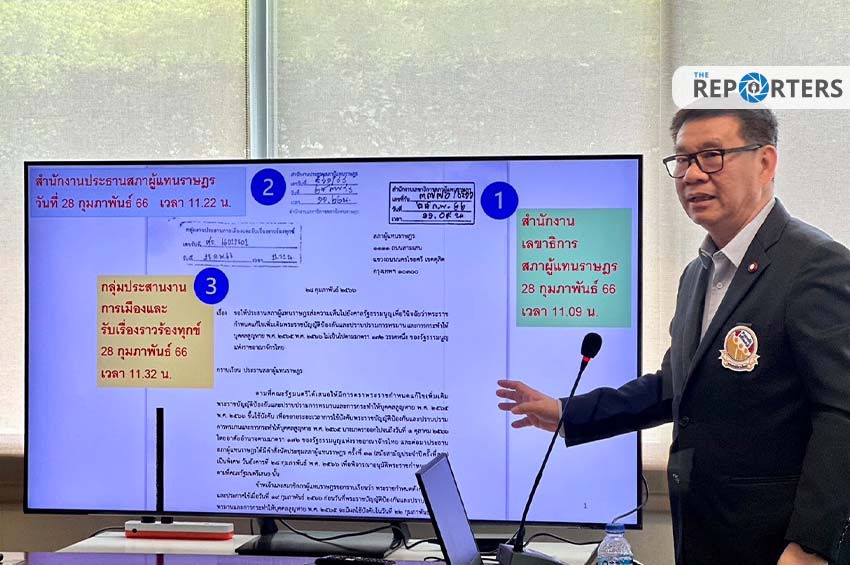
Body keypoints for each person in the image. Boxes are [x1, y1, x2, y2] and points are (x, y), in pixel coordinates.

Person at [497, 108, 850, 565]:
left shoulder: (815, 265)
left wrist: (813, 545)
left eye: (712, 156)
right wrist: (568, 412)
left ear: (765, 163)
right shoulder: (698, 273)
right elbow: (675, 387)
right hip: (704, 534)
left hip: (780, 545)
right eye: (683, 160)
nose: (692, 175)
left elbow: (841, 414)